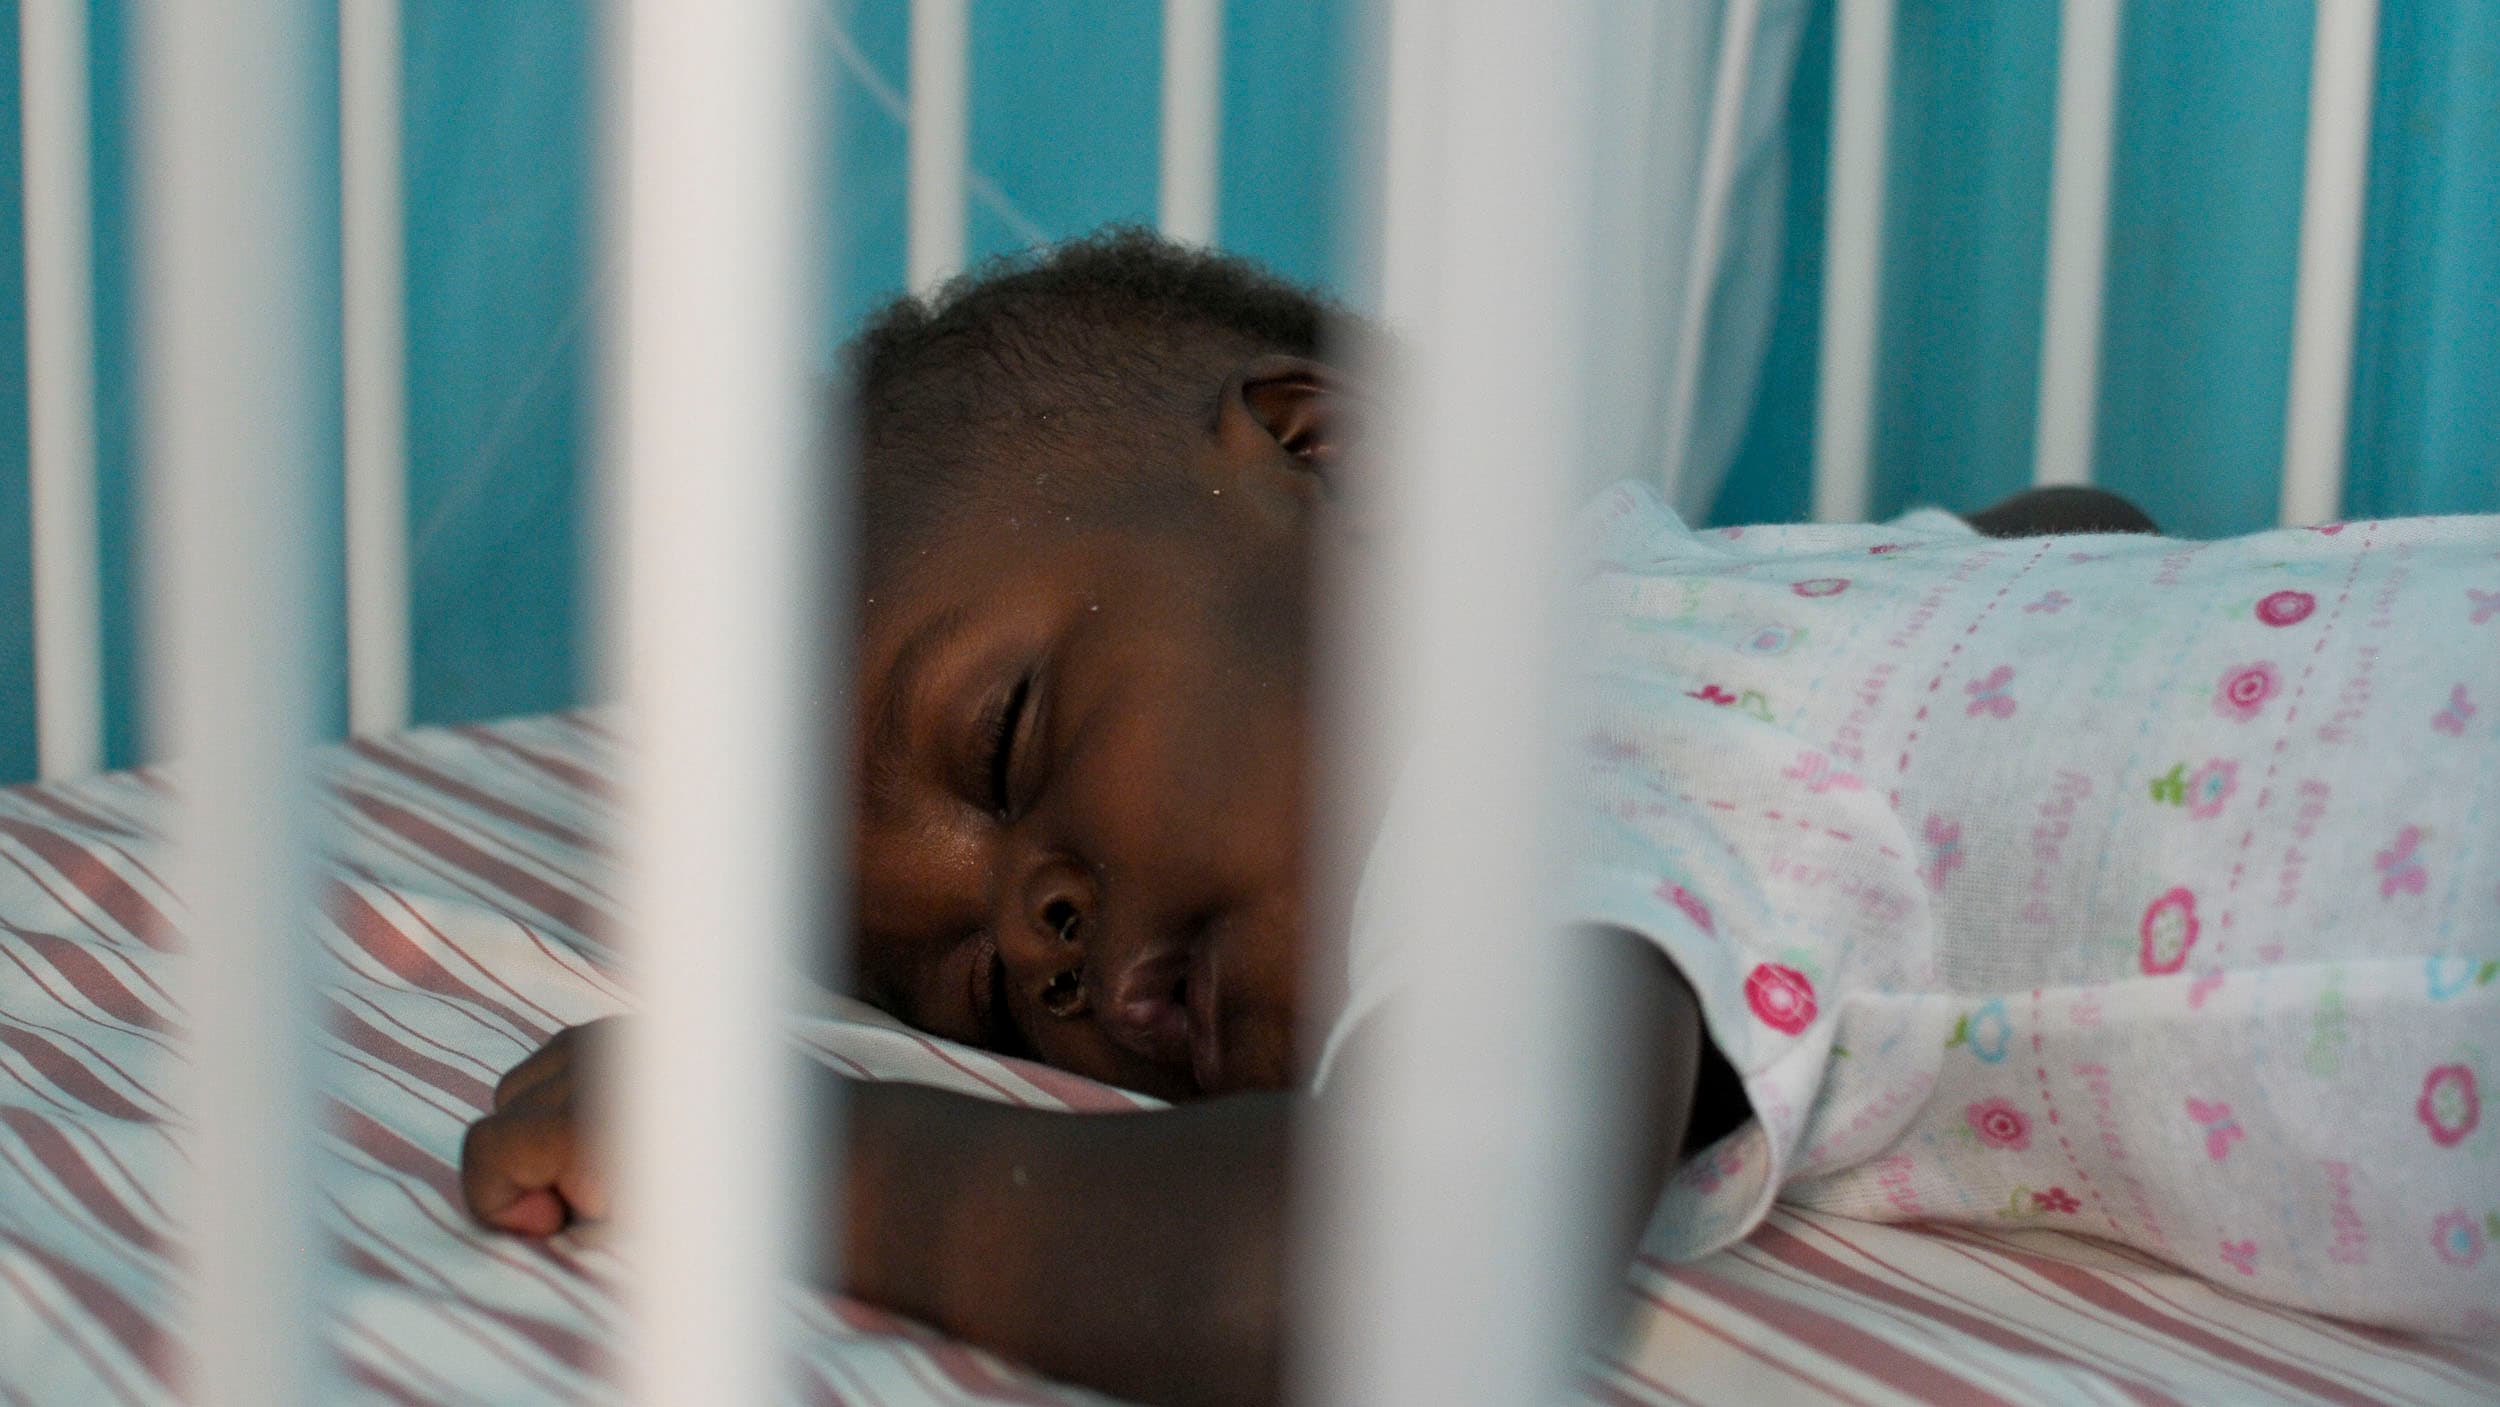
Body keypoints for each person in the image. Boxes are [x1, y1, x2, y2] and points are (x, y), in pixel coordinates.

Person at [460, 232, 2500, 1407]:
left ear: (1324, 453)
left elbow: (1371, 1271)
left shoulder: (1537, 780)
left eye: (1008, 743)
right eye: (984, 990)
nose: (1053, 940)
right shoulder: (1720, 617)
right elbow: (2081, 542)